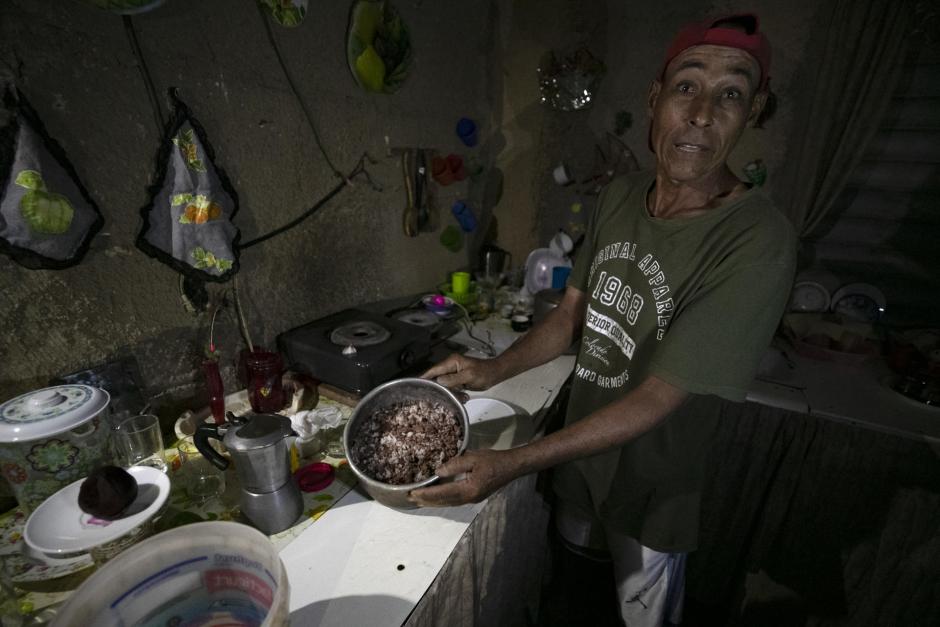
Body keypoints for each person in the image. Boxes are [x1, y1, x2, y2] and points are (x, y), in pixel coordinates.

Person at [414, 13, 796, 626]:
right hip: (582, 457)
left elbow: (658, 398)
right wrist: (492, 370)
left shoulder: (758, 241)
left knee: (639, 616)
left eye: (731, 94)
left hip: (652, 489)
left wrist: (509, 464)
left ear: (752, 113)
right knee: (574, 593)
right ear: (655, 98)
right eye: (686, 86)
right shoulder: (620, 195)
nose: (702, 113)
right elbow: (571, 313)